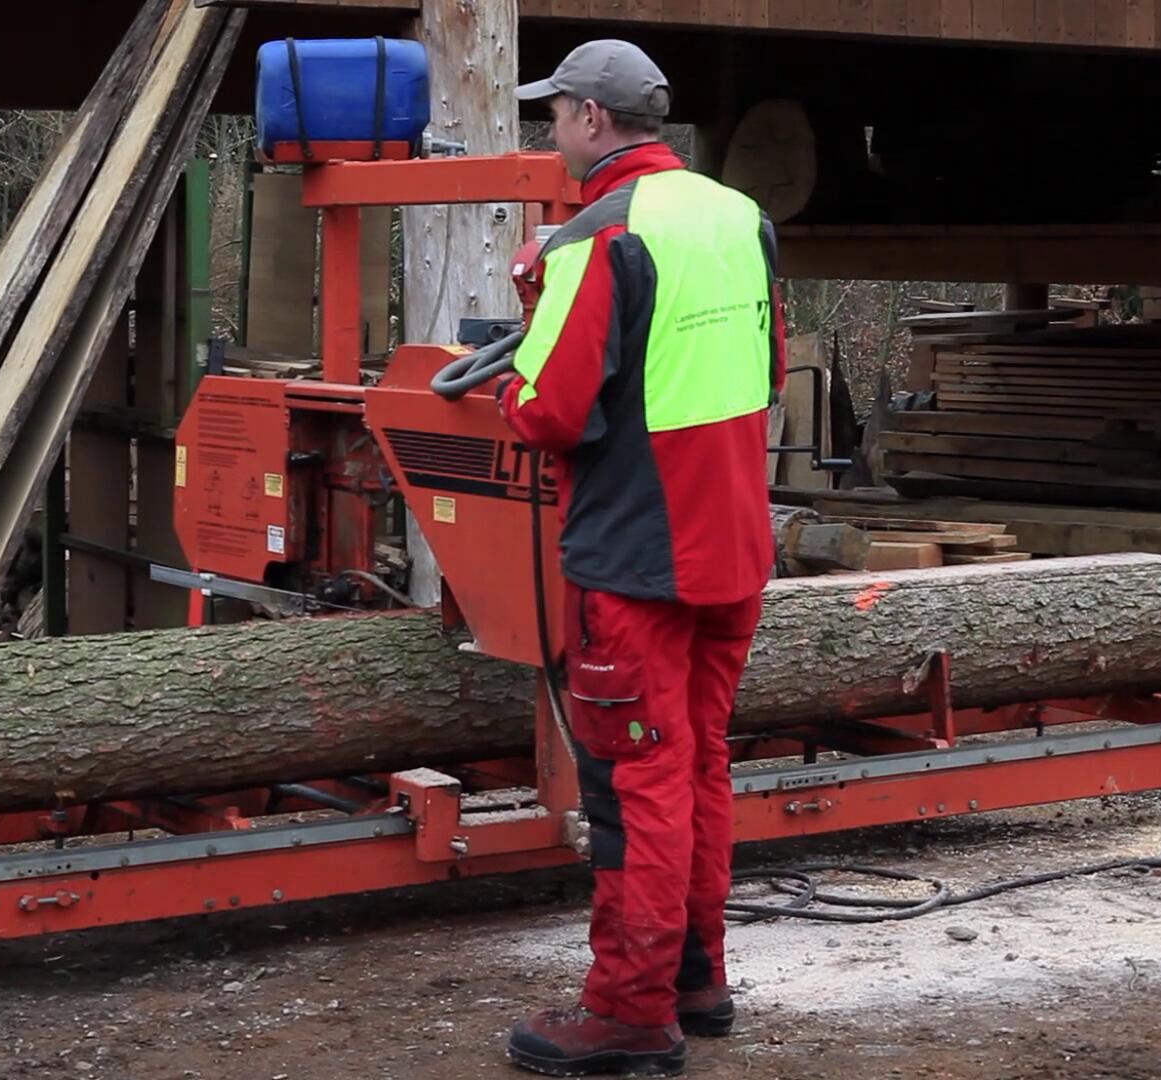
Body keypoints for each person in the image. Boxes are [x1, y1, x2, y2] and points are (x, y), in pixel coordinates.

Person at [496, 40, 787, 1078]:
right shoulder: (738, 217)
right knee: (700, 763)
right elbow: (768, 366)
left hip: (637, 560)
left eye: (555, 115)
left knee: (637, 786)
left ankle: (627, 1012)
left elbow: (548, 410)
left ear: (587, 118)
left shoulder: (595, 236)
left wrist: (533, 318)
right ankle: (696, 979)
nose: (552, 133)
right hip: (735, 547)